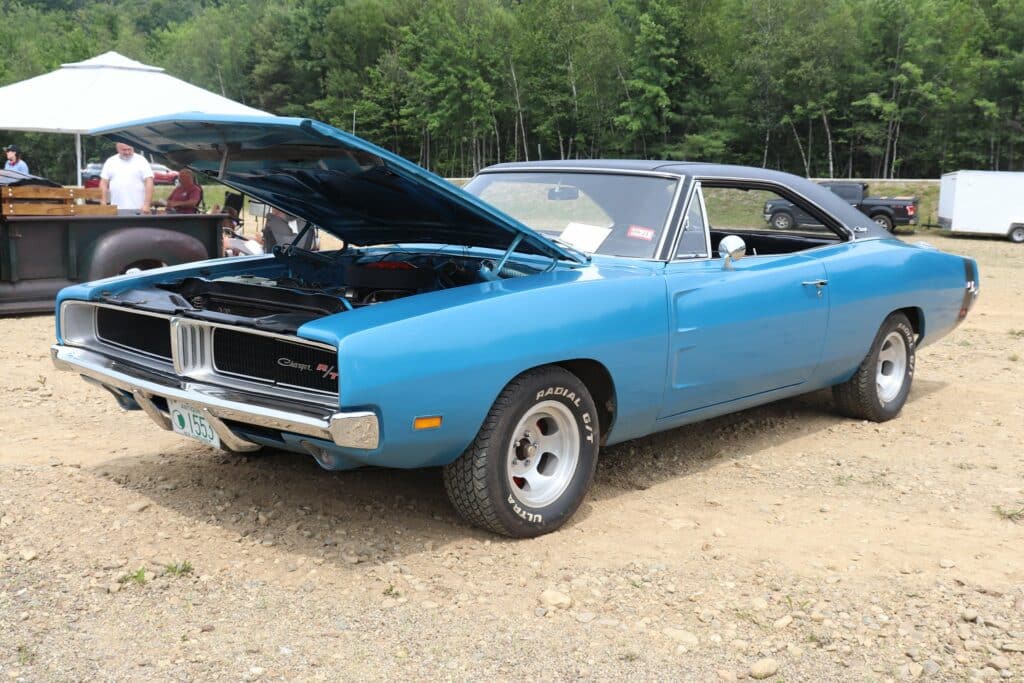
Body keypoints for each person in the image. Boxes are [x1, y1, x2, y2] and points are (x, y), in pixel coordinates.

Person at [100, 143, 154, 214]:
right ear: (117, 149)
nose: (127, 152)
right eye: (124, 150)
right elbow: (103, 183)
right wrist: (103, 201)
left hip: (138, 209)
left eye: (129, 149)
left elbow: (149, 182)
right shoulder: (110, 161)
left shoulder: (141, 160)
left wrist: (147, 204)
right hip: (115, 209)